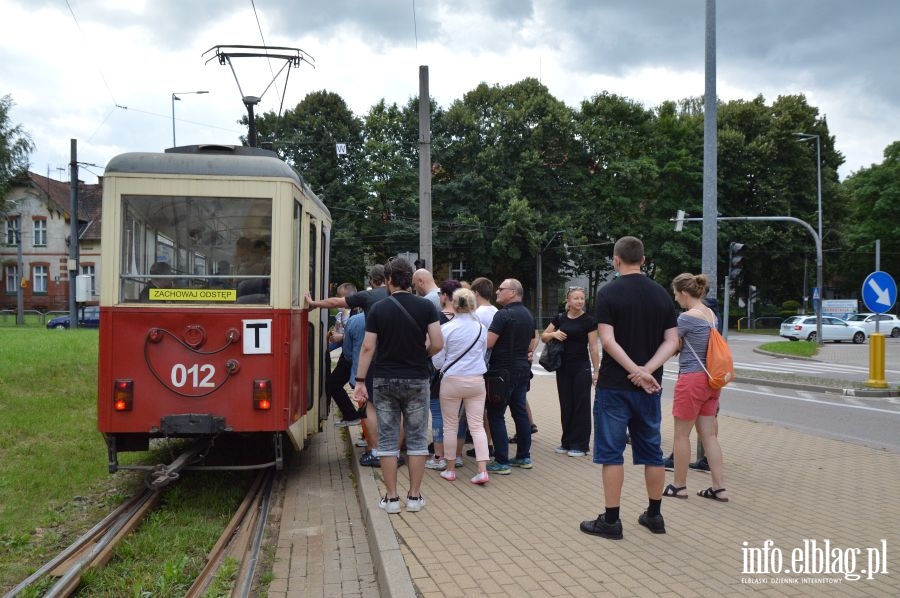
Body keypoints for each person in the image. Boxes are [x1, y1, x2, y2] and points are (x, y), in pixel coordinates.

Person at [580, 236, 679, 540]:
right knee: (652, 452)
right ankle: (654, 515)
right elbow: (673, 340)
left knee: (611, 454)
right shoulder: (661, 294)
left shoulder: (608, 293)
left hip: (613, 386)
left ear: (616, 260)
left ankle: (611, 521)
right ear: (644, 261)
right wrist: (647, 371)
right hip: (650, 388)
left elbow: (607, 341)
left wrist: (633, 370)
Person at [352, 256, 443, 514]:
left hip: (385, 380)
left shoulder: (379, 308)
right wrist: (421, 355)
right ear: (410, 279)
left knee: (389, 441)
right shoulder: (425, 307)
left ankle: (391, 499)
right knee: (415, 440)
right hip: (417, 379)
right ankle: (414, 497)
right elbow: (437, 343)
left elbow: (368, 347)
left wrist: (360, 381)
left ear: (389, 279)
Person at [307, 265, 389, 467]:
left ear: (372, 280)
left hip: (374, 360)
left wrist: (313, 303)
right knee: (394, 408)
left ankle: (375, 450)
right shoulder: (400, 295)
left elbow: (336, 302)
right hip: (398, 361)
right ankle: (394, 450)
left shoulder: (367, 298)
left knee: (370, 406)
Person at [664, 273, 729, 502]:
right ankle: (719, 488)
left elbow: (672, 346)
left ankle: (679, 486)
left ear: (683, 293)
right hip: (712, 380)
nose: (675, 299)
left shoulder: (686, 318)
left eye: (675, 294)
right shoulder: (711, 315)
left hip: (692, 379)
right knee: (709, 435)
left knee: (681, 435)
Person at [433, 288, 490, 484]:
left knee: (450, 425)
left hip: (452, 380)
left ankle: (450, 469)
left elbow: (438, 361)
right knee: (476, 426)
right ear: (473, 305)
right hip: (476, 380)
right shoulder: (482, 328)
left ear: (454, 304)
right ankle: (482, 470)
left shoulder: (446, 328)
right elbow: (482, 354)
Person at [485, 278, 537, 475]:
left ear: (513, 292)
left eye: (501, 289)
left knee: (496, 414)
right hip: (522, 369)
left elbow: (489, 342)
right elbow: (532, 341)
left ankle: (501, 460)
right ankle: (524, 456)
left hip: (502, 371)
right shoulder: (528, 314)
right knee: (520, 412)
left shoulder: (502, 315)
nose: (497, 291)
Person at [540, 286, 599, 457]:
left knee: (581, 405)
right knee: (566, 405)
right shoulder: (560, 318)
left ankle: (580, 445)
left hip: (581, 367)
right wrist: (554, 334)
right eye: (576, 298)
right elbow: (544, 335)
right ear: (568, 301)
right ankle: (566, 442)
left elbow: (594, 348)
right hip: (563, 367)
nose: (580, 301)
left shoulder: (589, 320)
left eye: (582, 298)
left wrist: (596, 371)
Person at [426, 279, 464, 471]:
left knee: (439, 415)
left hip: (438, 375)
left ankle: (439, 455)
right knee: (459, 416)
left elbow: (429, 345)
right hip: (464, 374)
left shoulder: (436, 319)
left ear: (444, 296)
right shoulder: (467, 319)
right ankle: (457, 455)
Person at [467, 277, 498, 459]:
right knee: (490, 408)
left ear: (476, 293)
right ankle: (490, 442)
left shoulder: (478, 314)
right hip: (493, 363)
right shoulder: (495, 311)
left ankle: (486, 444)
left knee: (482, 410)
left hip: (481, 364)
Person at [326, 283, 360, 426]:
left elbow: (357, 336)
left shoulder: (357, 315)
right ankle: (352, 416)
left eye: (340, 298)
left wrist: (341, 337)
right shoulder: (344, 314)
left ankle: (353, 416)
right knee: (333, 384)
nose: (338, 302)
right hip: (347, 356)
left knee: (334, 385)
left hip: (352, 358)